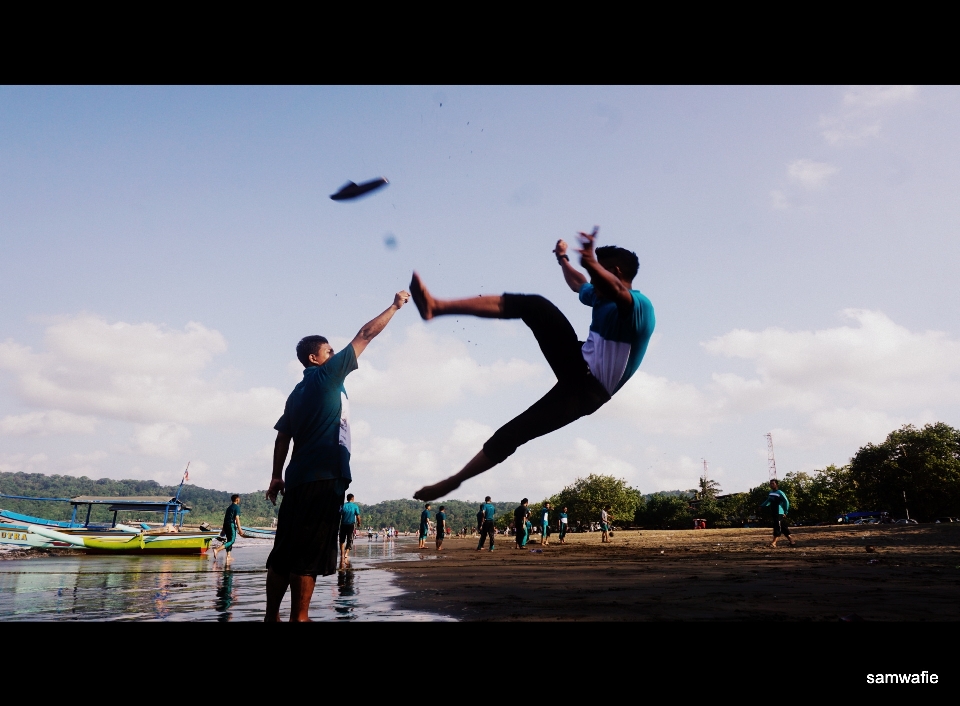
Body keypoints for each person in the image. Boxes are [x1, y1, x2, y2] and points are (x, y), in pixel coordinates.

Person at [410, 228, 655, 501]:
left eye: (601, 273)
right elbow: (578, 284)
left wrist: (592, 264)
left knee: (513, 432)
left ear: (617, 273)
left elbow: (618, 290)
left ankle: (453, 481)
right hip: (577, 361)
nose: (594, 284)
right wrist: (563, 259)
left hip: (588, 390)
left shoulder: (640, 309)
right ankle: (436, 306)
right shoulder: (600, 296)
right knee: (535, 305)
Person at [263, 289, 410, 622]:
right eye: (330, 350)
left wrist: (276, 475)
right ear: (315, 359)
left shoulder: (295, 392)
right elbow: (365, 334)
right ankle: (299, 617)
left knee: (284, 550)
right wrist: (395, 307)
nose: (336, 353)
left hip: (297, 479)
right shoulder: (327, 376)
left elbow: (281, 438)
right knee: (308, 553)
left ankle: (271, 616)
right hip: (324, 477)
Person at [761, 479, 796, 548]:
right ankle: (792, 542)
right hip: (774, 512)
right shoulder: (771, 493)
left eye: (773, 483)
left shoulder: (780, 492)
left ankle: (774, 543)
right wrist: (762, 506)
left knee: (777, 527)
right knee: (783, 527)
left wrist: (785, 511)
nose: (771, 485)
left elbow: (786, 502)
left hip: (779, 512)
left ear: (776, 484)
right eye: (770, 484)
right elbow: (768, 501)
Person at [212, 494, 244, 563]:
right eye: (239, 499)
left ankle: (228, 556)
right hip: (231, 525)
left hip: (226, 524)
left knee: (229, 540)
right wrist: (240, 529)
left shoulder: (229, 508)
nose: (239, 500)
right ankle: (217, 550)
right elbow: (237, 518)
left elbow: (225, 518)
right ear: (237, 499)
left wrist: (223, 528)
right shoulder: (236, 507)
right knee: (232, 540)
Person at [339, 493, 362, 570]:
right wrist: (359, 523)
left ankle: (342, 554)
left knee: (341, 539)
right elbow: (358, 516)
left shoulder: (343, 505)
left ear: (347, 498)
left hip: (343, 524)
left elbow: (339, 514)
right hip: (351, 525)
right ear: (352, 498)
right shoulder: (355, 506)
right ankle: (346, 553)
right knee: (350, 539)